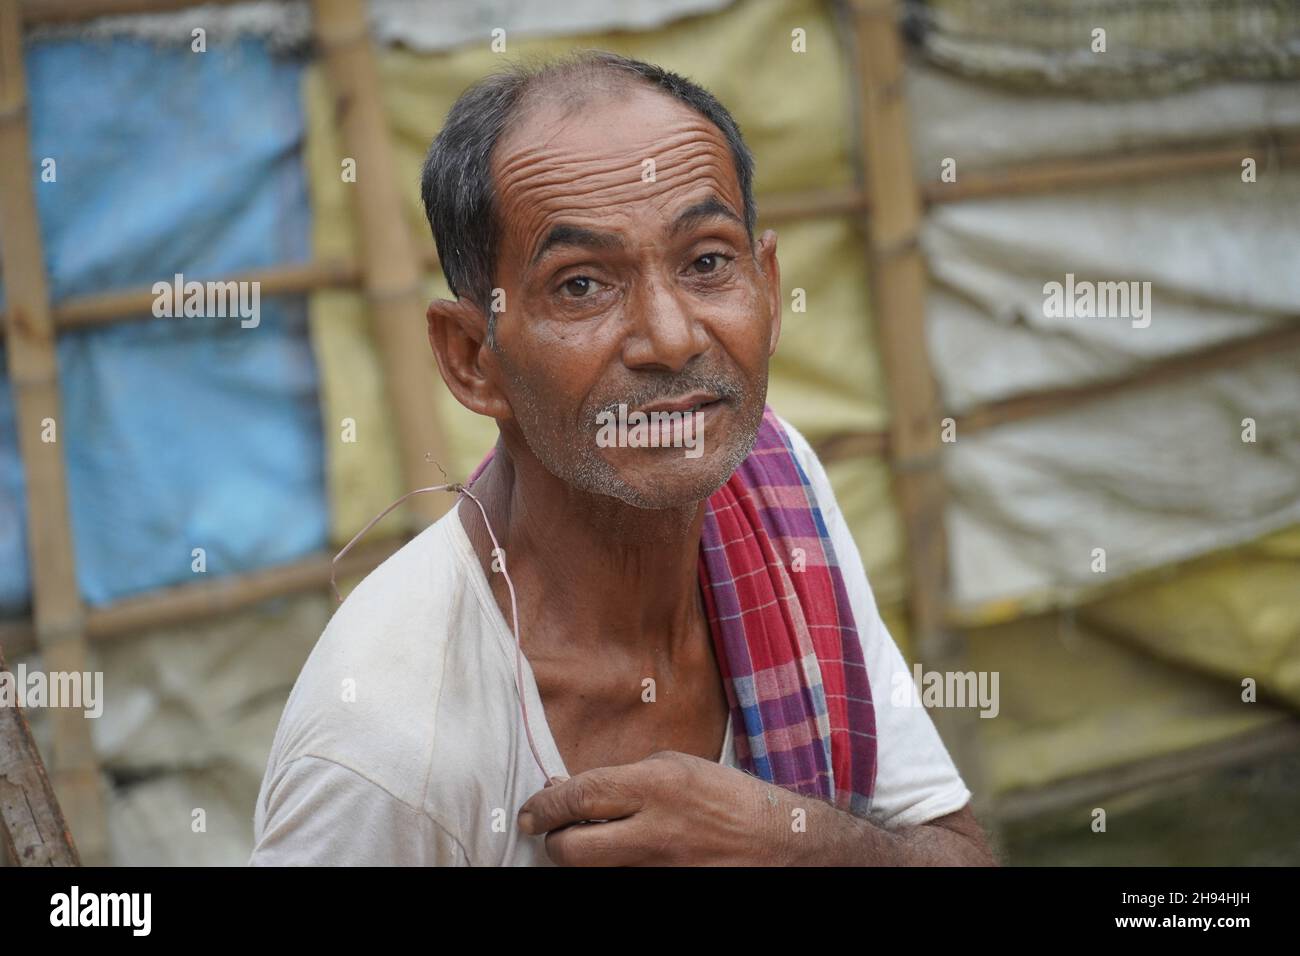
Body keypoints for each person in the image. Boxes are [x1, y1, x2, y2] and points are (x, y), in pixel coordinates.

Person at [250, 51, 994, 866]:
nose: (671, 339)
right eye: (581, 286)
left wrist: (795, 842)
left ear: (770, 290)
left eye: (708, 262)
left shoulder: (778, 491)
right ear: (473, 358)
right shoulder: (389, 743)